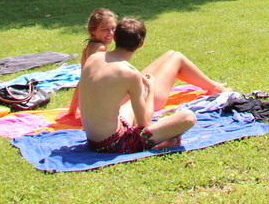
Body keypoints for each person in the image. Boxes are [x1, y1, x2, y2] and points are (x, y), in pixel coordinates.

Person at [79, 18, 197, 153]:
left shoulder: (94, 58)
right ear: (141, 44)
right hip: (113, 144)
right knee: (188, 117)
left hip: (92, 139)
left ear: (115, 36)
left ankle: (161, 138)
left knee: (132, 104)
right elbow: (144, 124)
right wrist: (151, 89)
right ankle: (159, 142)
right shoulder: (130, 73)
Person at [59, 8, 118, 125]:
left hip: (86, 104)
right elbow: (98, 82)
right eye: (105, 30)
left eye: (113, 29)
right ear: (93, 31)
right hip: (94, 107)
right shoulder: (99, 49)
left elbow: (83, 81)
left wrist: (72, 110)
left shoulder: (89, 46)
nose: (111, 33)